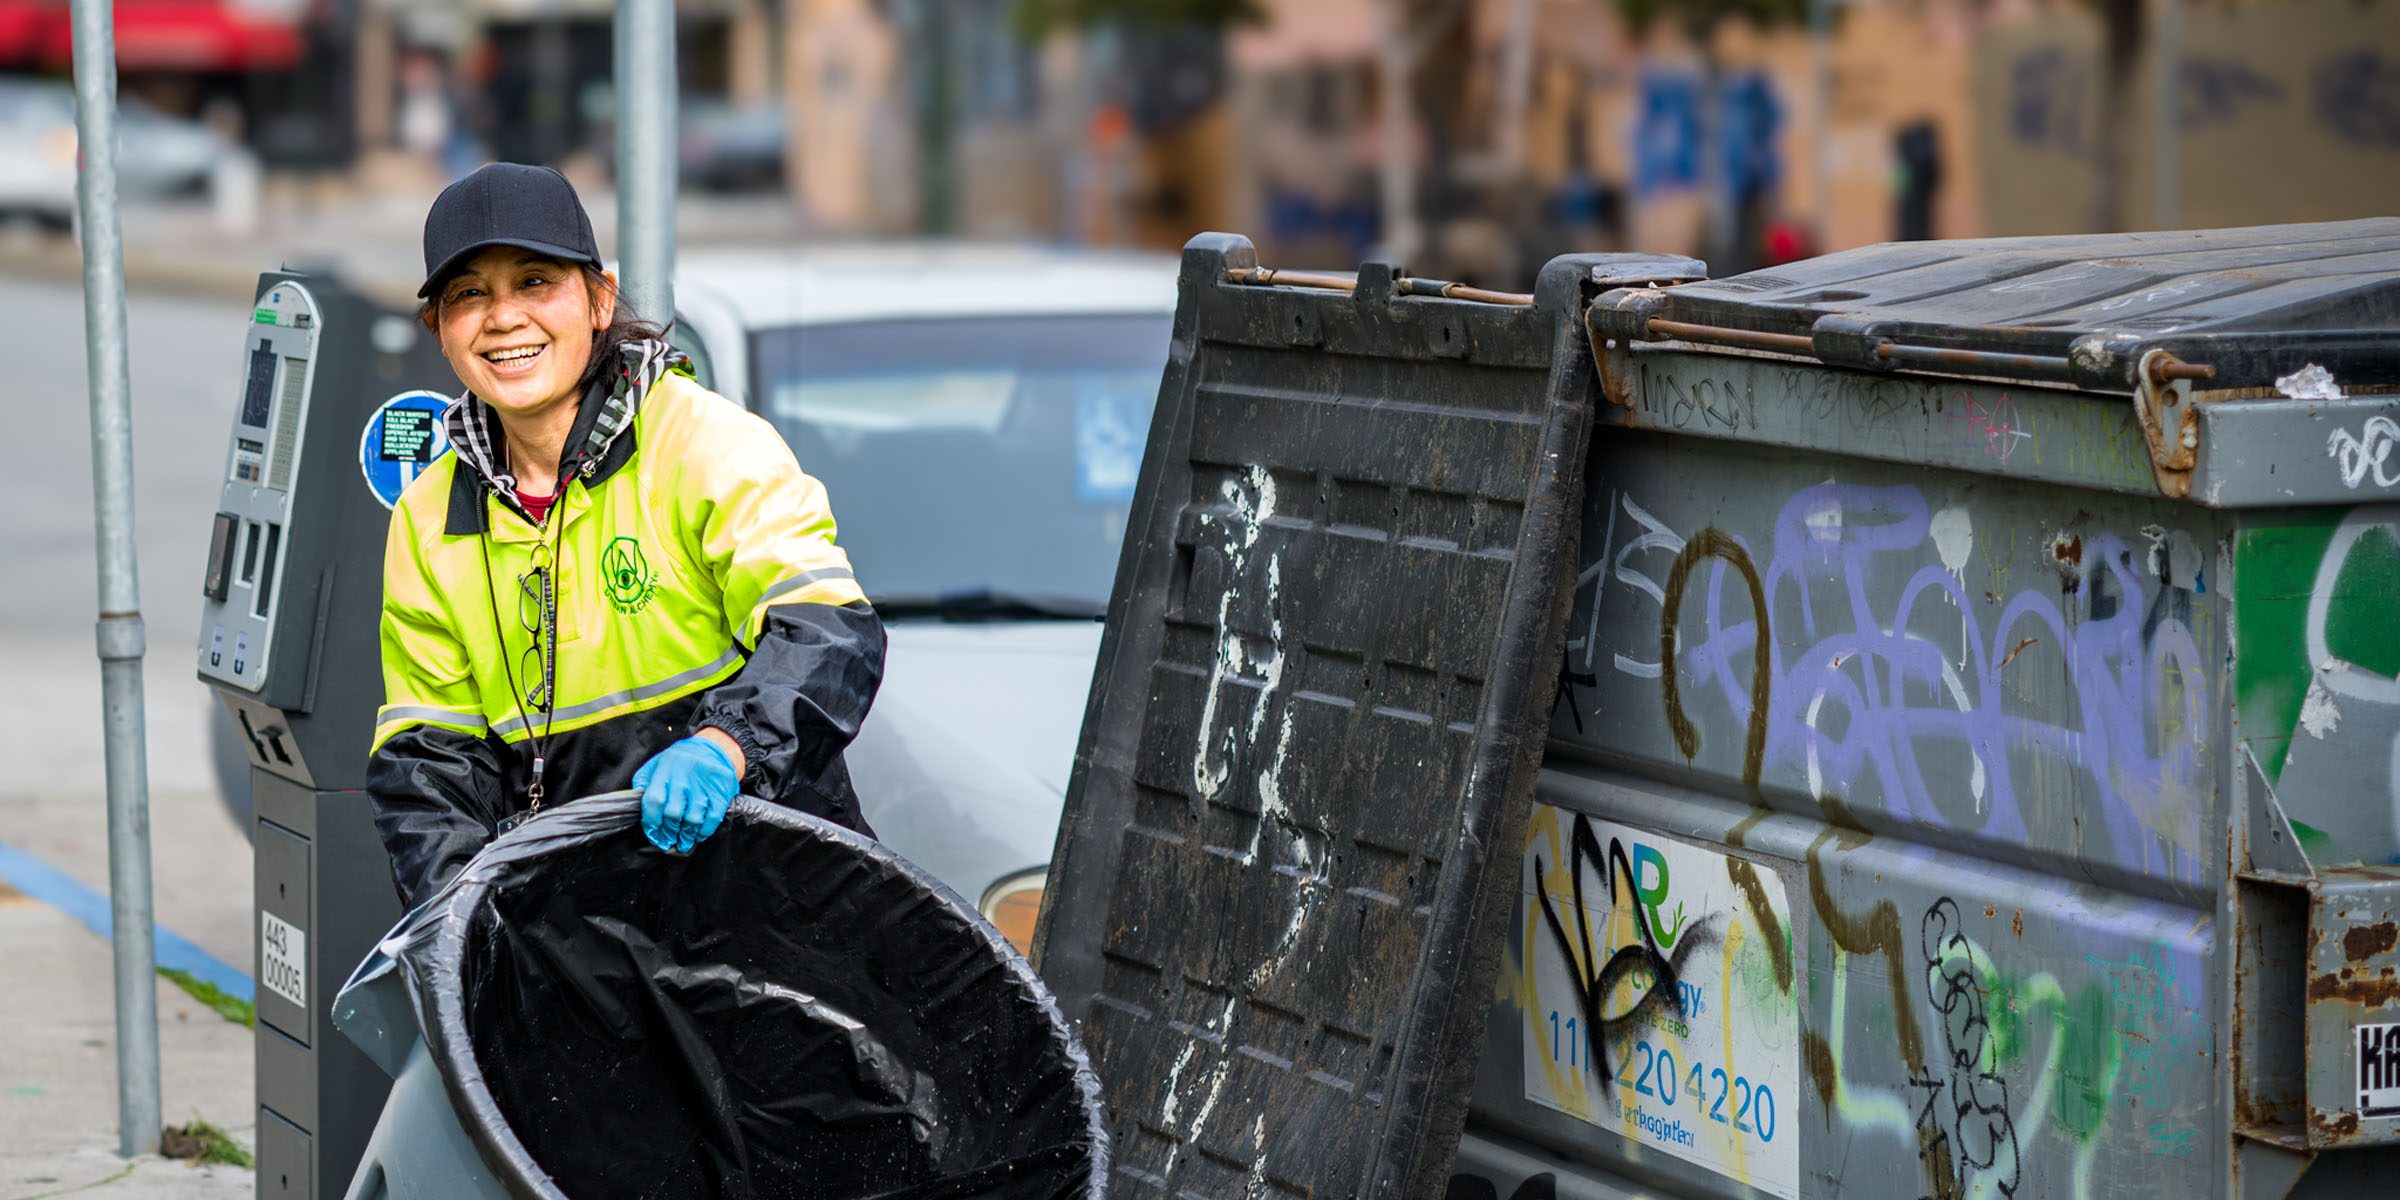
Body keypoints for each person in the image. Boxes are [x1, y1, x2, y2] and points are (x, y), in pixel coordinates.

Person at [366, 163, 885, 909]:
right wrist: (463, 931)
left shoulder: (702, 442)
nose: (503, 317)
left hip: (772, 908)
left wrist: (721, 748)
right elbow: (430, 766)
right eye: (468, 294)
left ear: (600, 300)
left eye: (536, 282)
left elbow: (828, 633)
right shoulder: (427, 517)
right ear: (438, 332)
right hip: (584, 939)